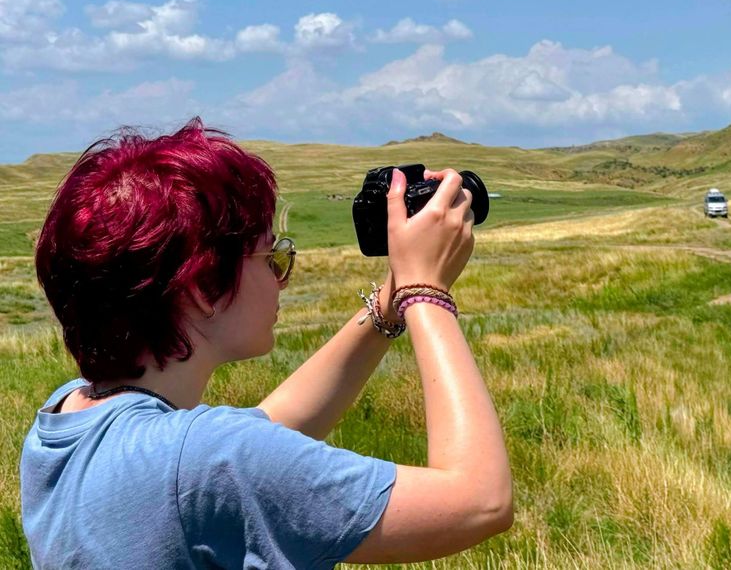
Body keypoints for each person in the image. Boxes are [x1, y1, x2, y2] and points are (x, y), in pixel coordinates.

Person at [20, 118, 513, 567]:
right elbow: (479, 501)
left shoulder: (65, 419)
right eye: (271, 257)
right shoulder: (208, 460)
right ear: (203, 288)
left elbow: (266, 431)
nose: (281, 279)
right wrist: (426, 292)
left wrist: (391, 300)